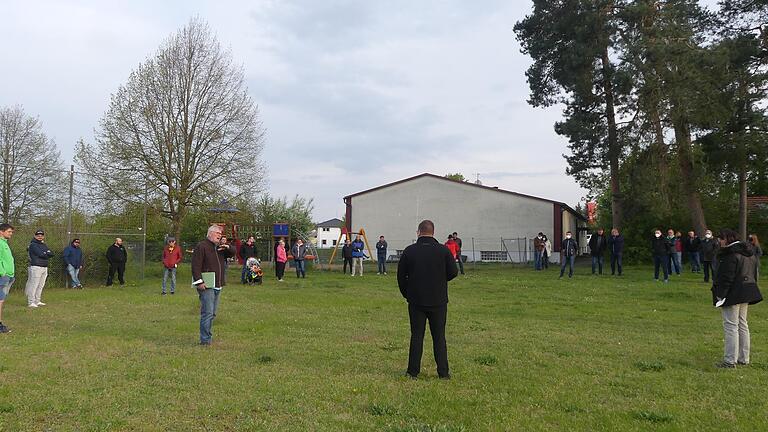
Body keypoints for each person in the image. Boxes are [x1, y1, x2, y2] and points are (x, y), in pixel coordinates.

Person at [397, 220, 458, 379]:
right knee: (439, 337)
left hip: (416, 300)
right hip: (438, 300)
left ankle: (412, 372)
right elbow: (453, 272)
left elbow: (401, 277)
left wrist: (407, 293)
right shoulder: (443, 251)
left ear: (418, 232)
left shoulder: (409, 251)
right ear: (433, 232)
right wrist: (440, 280)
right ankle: (443, 373)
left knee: (416, 336)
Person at [711, 229, 762, 368]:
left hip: (734, 292)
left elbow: (727, 277)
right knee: (742, 324)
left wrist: (720, 294)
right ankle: (743, 358)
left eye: (721, 238)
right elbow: (754, 273)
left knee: (731, 326)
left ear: (728, 239)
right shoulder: (749, 253)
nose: (720, 241)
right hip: (747, 290)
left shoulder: (731, 254)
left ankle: (729, 360)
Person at [191, 224, 235, 345]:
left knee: (213, 313)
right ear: (210, 233)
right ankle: (205, 340)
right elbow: (195, 265)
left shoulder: (220, 248)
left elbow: (233, 253)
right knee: (208, 313)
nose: (219, 236)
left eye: (221, 234)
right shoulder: (202, 246)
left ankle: (207, 337)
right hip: (206, 285)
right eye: (217, 234)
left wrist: (228, 247)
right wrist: (199, 281)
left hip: (217, 285)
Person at [25, 229, 54, 307]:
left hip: (44, 266)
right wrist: (46, 253)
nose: (40, 237)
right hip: (36, 266)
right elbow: (41, 254)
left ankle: (37, 301)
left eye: (41, 236)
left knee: (41, 285)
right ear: (35, 236)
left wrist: (46, 253)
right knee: (34, 284)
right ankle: (31, 302)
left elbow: (51, 254)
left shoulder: (43, 244)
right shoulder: (33, 244)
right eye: (38, 235)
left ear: (43, 236)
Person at [0, 223, 15, 333]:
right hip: (3, 276)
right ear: (1, 231)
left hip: (9, 276)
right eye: (9, 231)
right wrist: (3, 272)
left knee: (2, 300)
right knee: (0, 300)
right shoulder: (0, 243)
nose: (11, 234)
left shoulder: (5, 243)